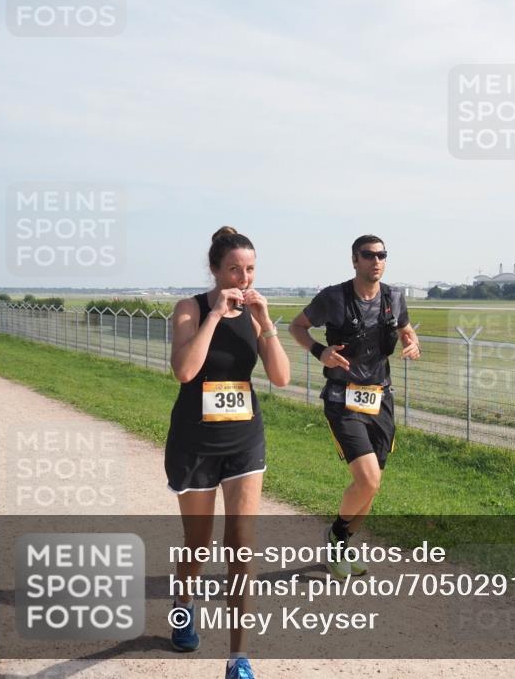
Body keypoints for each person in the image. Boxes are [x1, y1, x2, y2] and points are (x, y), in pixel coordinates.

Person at [165, 226, 290, 679]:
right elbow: (184, 371)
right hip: (195, 443)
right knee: (197, 546)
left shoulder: (256, 313)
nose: (244, 277)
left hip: (244, 440)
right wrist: (215, 315)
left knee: (241, 545)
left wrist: (266, 322)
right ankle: (183, 604)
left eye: (251, 269)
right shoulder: (190, 309)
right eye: (235, 269)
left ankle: (238, 658)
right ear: (215, 269)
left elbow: (281, 378)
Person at [289, 234, 419, 577]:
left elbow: (405, 328)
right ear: (354, 260)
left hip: (381, 400)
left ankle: (341, 544)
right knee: (368, 480)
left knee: (372, 488)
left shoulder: (394, 297)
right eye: (368, 255)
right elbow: (297, 326)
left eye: (382, 255)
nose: (376, 260)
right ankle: (335, 536)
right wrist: (321, 352)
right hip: (342, 398)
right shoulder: (333, 297)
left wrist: (411, 341)